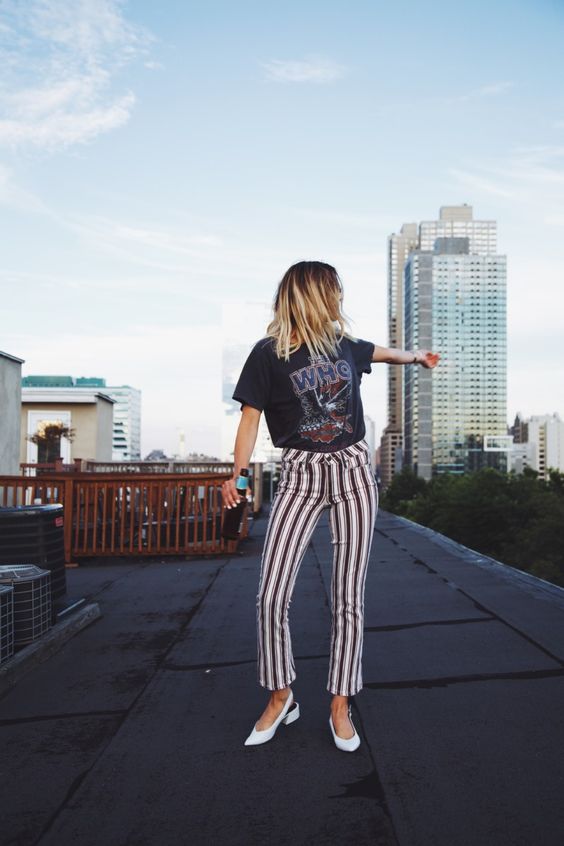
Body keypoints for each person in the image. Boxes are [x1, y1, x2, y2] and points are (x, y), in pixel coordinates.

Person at [222, 260, 439, 752]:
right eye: (334, 291)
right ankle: (282, 696)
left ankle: (340, 703)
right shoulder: (267, 355)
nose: (339, 299)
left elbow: (382, 354)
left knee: (348, 598)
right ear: (313, 295)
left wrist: (418, 357)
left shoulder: (344, 346)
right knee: (271, 596)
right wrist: (233, 474)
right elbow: (250, 420)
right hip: (299, 475)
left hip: (354, 474)